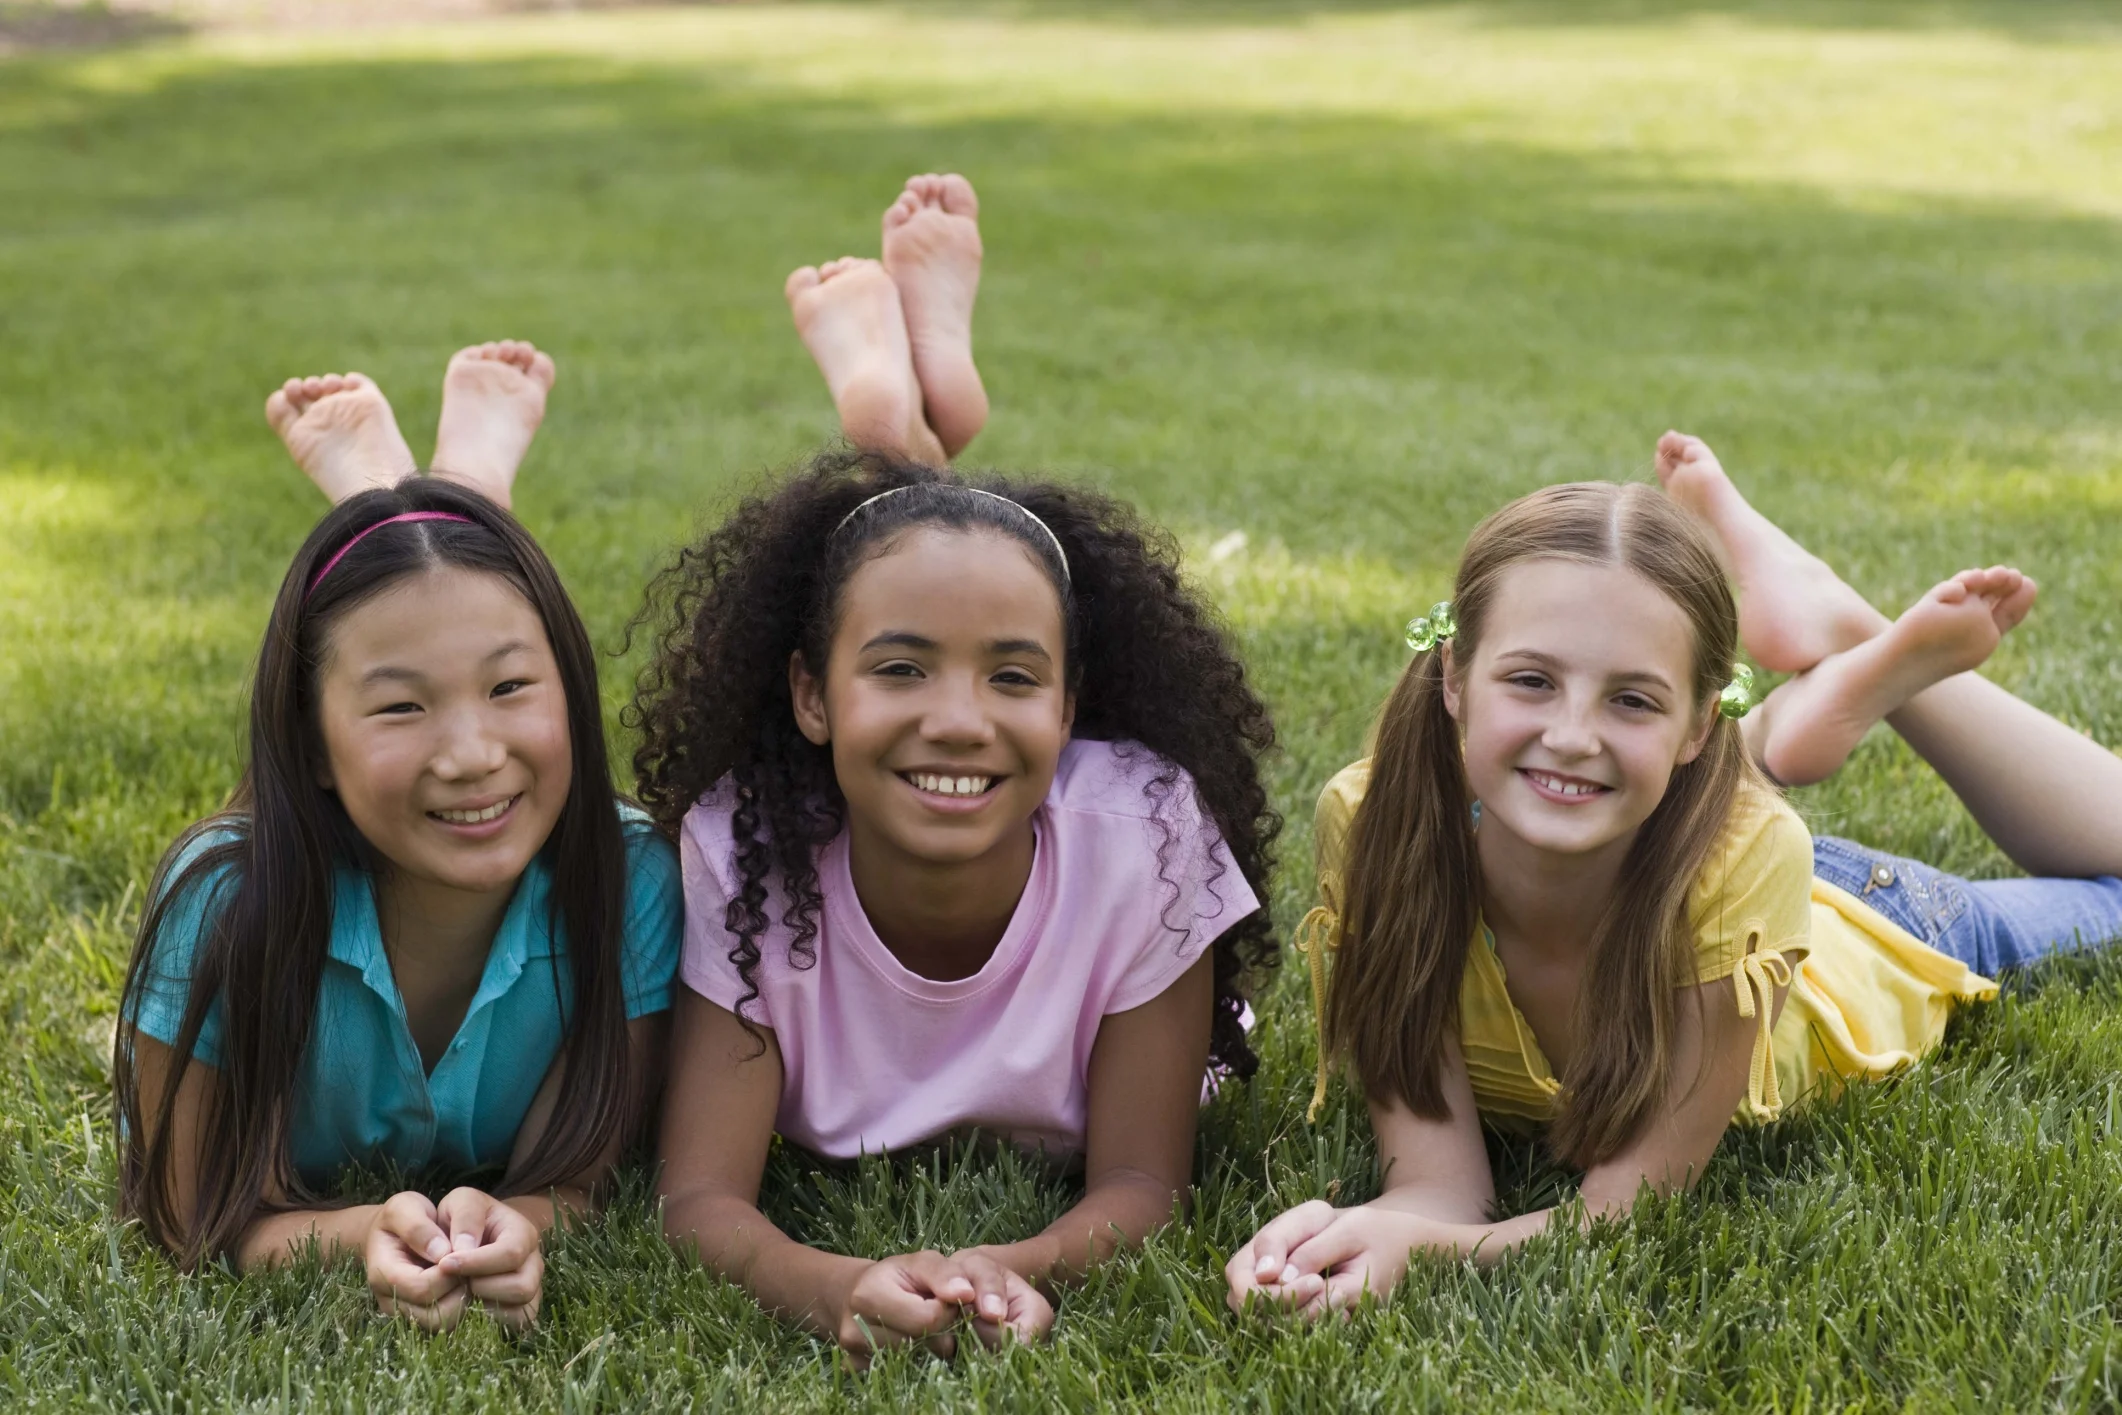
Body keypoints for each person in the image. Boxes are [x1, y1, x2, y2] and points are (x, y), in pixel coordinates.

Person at [1228, 433, 2122, 1317]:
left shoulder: (1750, 855)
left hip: (1866, 921)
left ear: (1698, 726)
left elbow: (1626, 1211)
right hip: (1676, 827)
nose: (1572, 732)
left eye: (1631, 698)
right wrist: (1354, 1243)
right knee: (1646, 786)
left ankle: (1849, 628)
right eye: (1532, 680)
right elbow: (1434, 1191)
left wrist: (1438, 1257)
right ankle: (1802, 698)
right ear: (1455, 679)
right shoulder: (1380, 818)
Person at [635, 173, 1279, 1363]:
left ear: (1071, 708)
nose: (959, 721)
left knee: (944, 566)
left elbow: (1142, 1179)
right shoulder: (746, 850)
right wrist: (841, 1283)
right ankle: (905, 424)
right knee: (934, 557)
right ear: (809, 696)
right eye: (898, 670)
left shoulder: (1141, 827)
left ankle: (903, 421)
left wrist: (999, 1269)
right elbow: (699, 1203)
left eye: (1014, 678)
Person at [114, 342, 678, 1333]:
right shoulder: (221, 898)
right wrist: (359, 1230)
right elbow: (187, 1211)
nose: (470, 754)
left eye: (512, 687)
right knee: (436, 595)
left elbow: (584, 1180)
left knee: (438, 592)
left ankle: (437, 492)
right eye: (399, 706)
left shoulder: (627, 874)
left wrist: (518, 1224)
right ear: (313, 744)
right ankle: (446, 492)